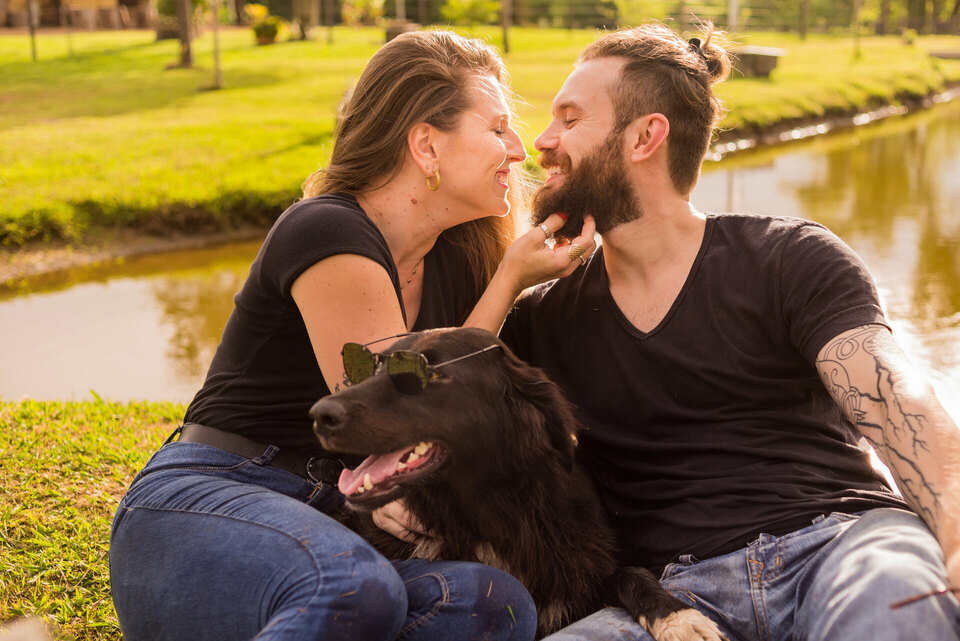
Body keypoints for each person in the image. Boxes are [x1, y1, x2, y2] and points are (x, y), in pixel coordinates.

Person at [108, 30, 595, 641]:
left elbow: (481, 404)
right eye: (497, 129)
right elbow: (394, 397)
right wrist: (510, 280)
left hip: (333, 518)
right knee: (353, 589)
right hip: (213, 501)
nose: (519, 150)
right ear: (426, 144)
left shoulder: (452, 258)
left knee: (492, 603)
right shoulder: (328, 230)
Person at [496, 22, 960, 641]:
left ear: (645, 137)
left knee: (893, 608)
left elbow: (895, 396)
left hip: (843, 544)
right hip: (674, 597)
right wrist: (506, 279)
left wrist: (955, 533)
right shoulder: (542, 316)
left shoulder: (789, 258)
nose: (542, 143)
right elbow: (443, 397)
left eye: (571, 120)